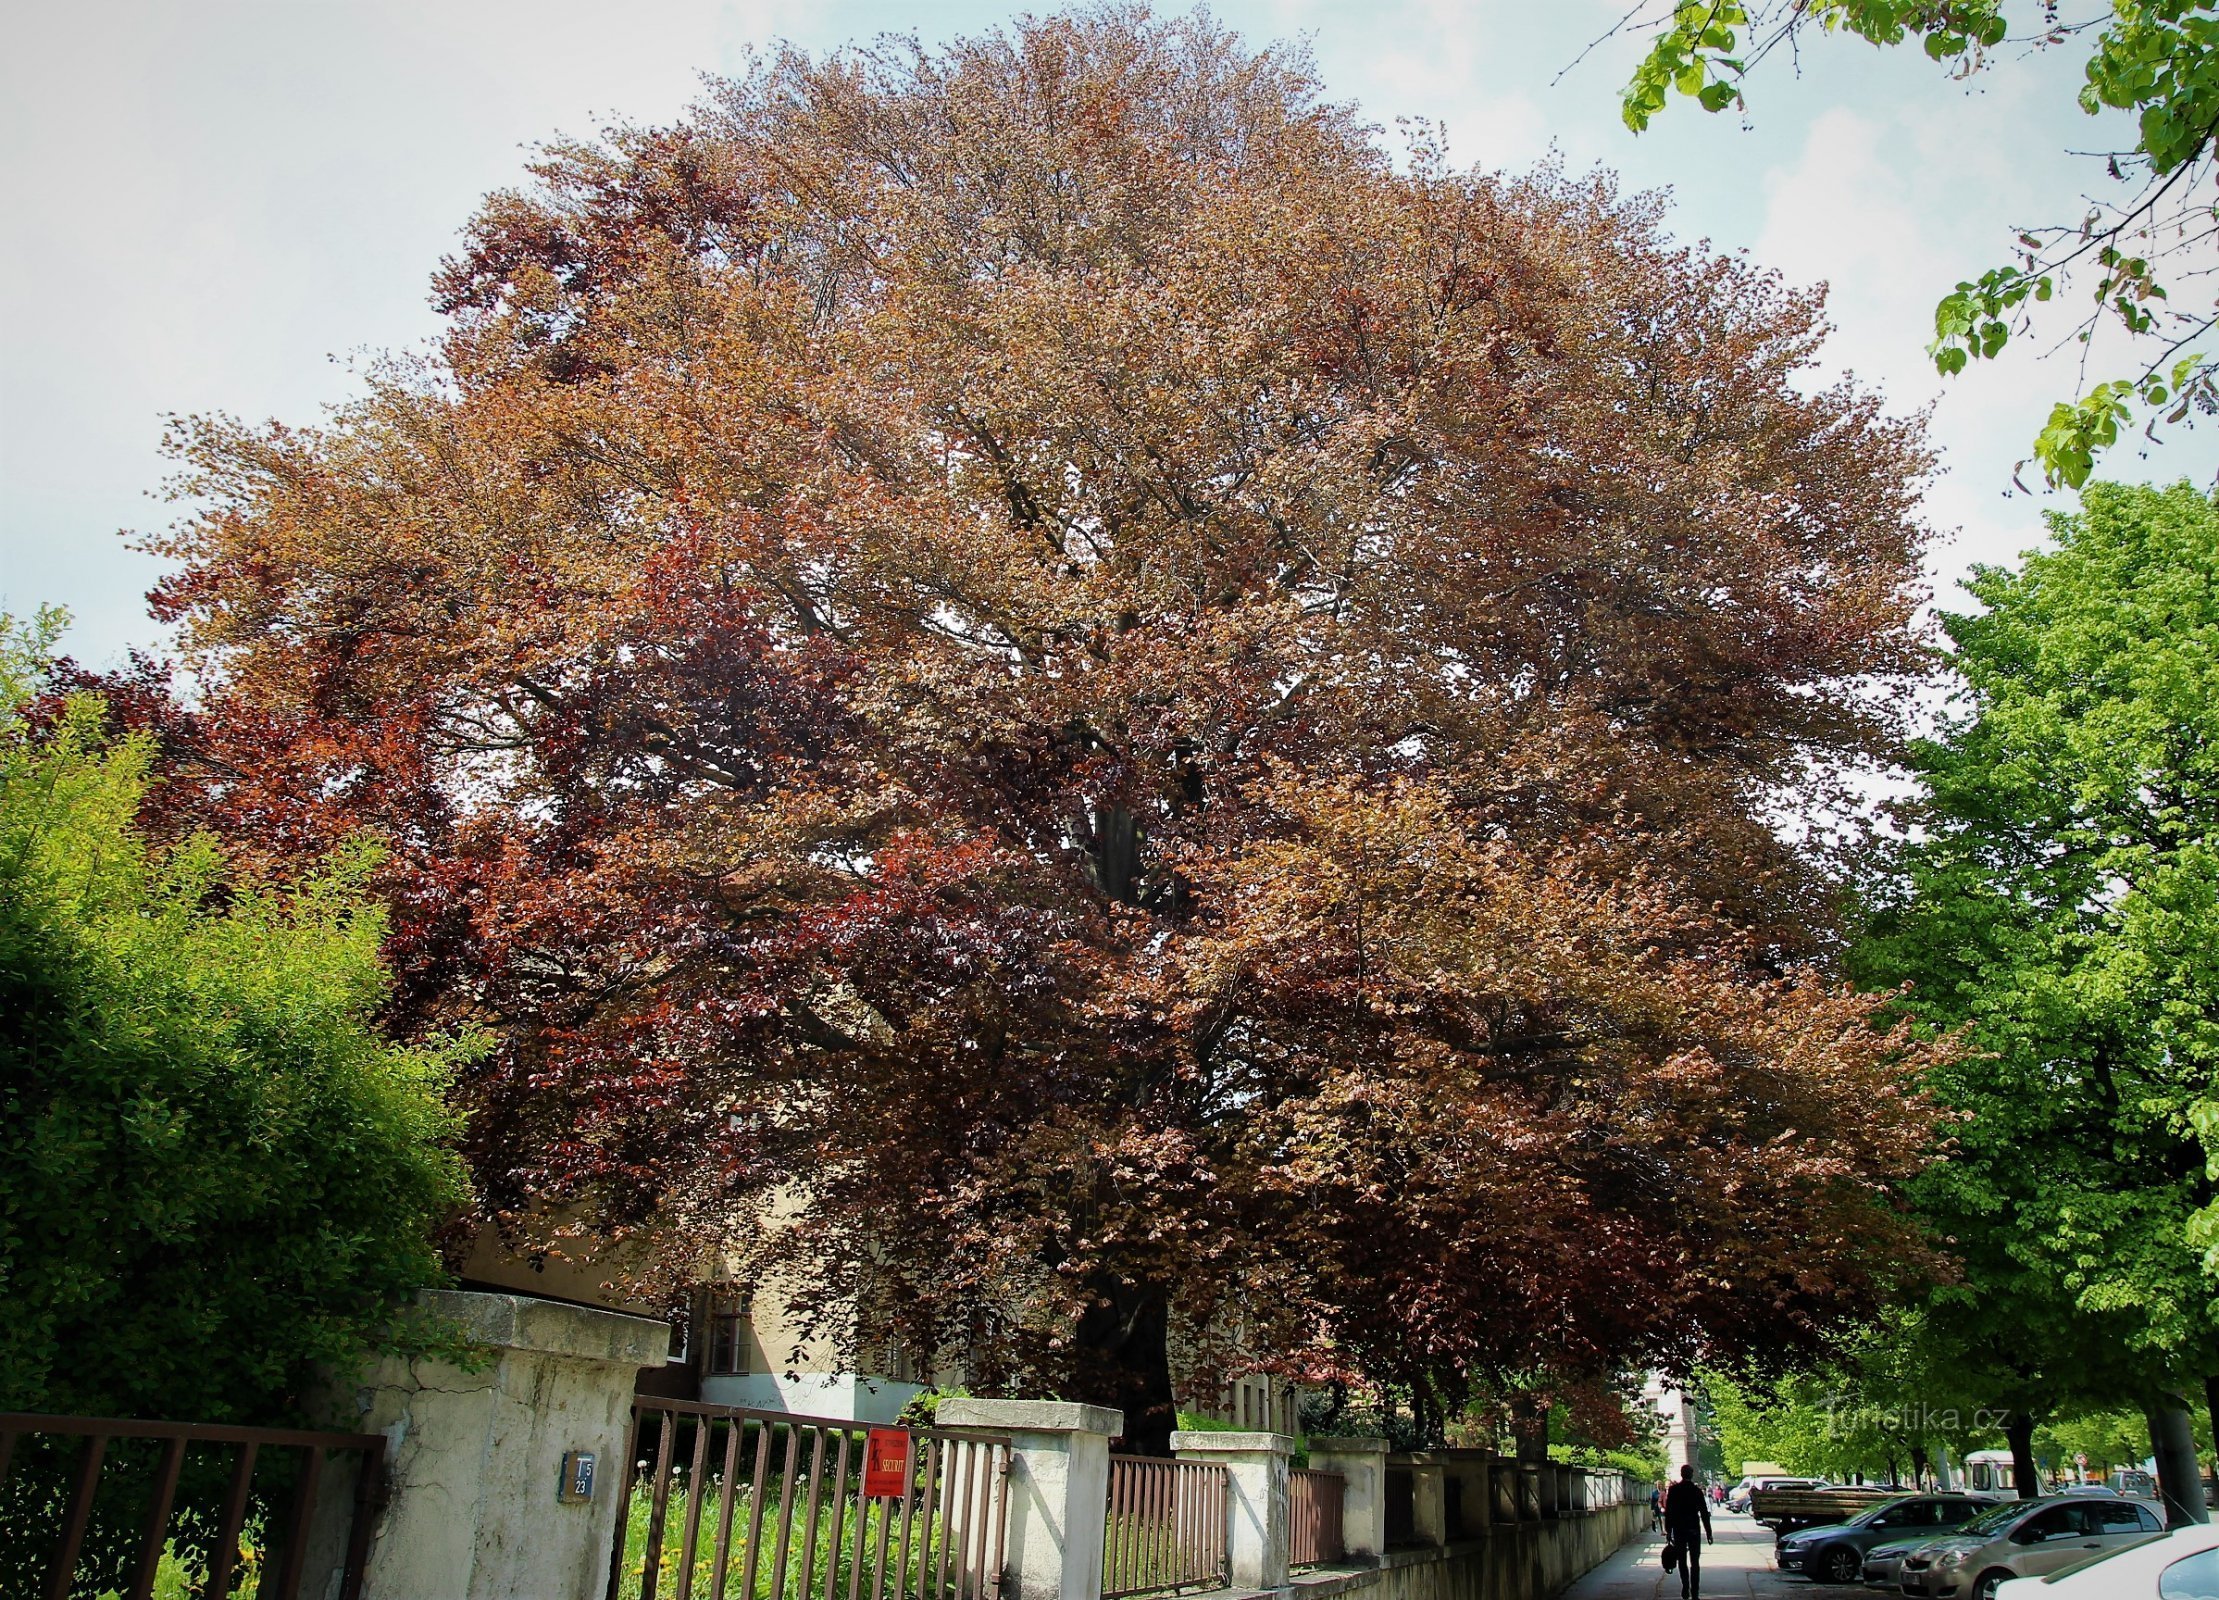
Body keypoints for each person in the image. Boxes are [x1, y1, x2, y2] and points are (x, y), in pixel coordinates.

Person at [1663, 1463, 1714, 1599]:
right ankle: (1695, 1592)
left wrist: (1668, 1531)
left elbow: (1669, 1512)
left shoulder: (1674, 1490)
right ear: (1691, 1475)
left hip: (1679, 1529)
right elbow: (1704, 1513)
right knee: (1695, 1562)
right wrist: (1709, 1532)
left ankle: (1685, 1586)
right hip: (1693, 1530)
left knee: (1682, 1560)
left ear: (1681, 1474)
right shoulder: (1696, 1491)